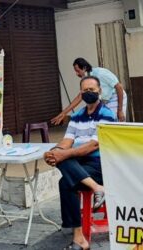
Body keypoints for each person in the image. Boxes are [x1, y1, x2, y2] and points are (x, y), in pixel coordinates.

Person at [44, 76, 116, 250]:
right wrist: (53, 152)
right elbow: (66, 142)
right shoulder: (76, 116)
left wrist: (63, 154)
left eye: (92, 89)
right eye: (85, 90)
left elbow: (93, 145)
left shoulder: (107, 114)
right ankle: (97, 189)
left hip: (100, 164)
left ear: (100, 91)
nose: (88, 93)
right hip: (80, 164)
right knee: (61, 158)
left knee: (65, 180)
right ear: (81, 93)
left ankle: (79, 239)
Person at [51, 57, 127, 124]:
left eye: (78, 71)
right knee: (104, 121)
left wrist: (120, 110)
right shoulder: (86, 80)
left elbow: (119, 87)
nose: (76, 74)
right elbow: (80, 97)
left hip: (115, 96)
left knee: (114, 120)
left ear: (84, 68)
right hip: (104, 100)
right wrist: (64, 113)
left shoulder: (100, 73)